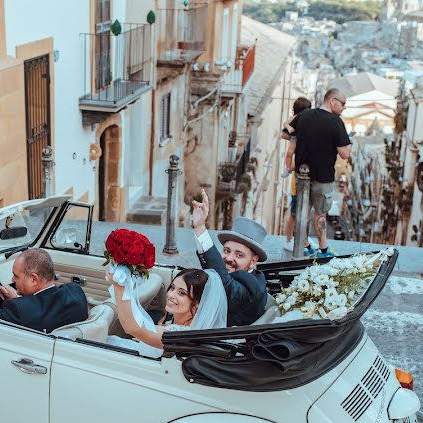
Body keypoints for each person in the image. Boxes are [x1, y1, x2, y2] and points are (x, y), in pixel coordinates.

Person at [289, 88, 352, 258]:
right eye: (343, 103)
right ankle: (323, 250)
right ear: (332, 101)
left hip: (302, 175)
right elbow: (345, 154)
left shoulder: (304, 115)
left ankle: (303, 244)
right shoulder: (335, 122)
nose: (344, 108)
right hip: (323, 176)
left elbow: (286, 133)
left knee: (303, 211)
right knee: (320, 214)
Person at [0, 248, 88, 332]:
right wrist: (18, 299)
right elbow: (45, 307)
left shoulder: (19, 311)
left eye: (16, 275)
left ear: (33, 279)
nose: (12, 279)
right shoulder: (75, 292)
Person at [192, 190, 269, 327]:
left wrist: (200, 228)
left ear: (252, 261)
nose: (229, 258)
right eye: (226, 251)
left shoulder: (252, 288)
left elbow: (226, 285)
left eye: (239, 255)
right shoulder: (246, 276)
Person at [108, 268, 227, 355]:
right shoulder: (182, 329)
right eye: (172, 288)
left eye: (181, 293)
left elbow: (131, 328)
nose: (171, 295)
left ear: (196, 305)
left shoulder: (178, 336)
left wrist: (119, 284)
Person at [281, 96, 312, 253]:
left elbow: (286, 132)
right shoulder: (304, 128)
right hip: (301, 173)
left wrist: (288, 169)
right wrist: (290, 168)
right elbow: (289, 151)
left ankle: (299, 239)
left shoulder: (296, 124)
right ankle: (289, 239)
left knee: (298, 211)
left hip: (298, 173)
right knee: (296, 212)